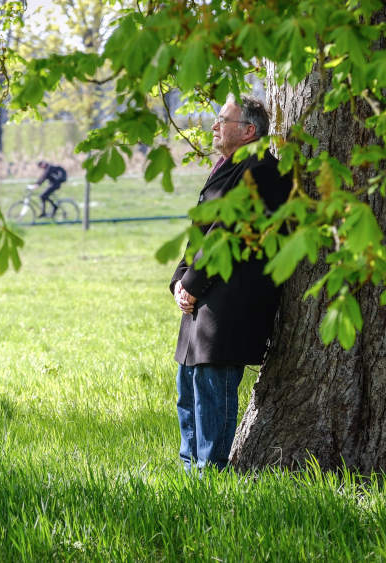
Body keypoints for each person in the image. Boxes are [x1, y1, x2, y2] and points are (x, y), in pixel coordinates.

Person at [170, 95, 292, 472]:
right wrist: (179, 280)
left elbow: (227, 233)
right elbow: (201, 230)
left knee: (212, 392)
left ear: (249, 130)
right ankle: (190, 475)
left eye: (223, 119)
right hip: (202, 297)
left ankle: (211, 477)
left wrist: (192, 283)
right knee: (188, 391)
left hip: (230, 301)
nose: (214, 126)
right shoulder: (228, 166)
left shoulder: (261, 171)